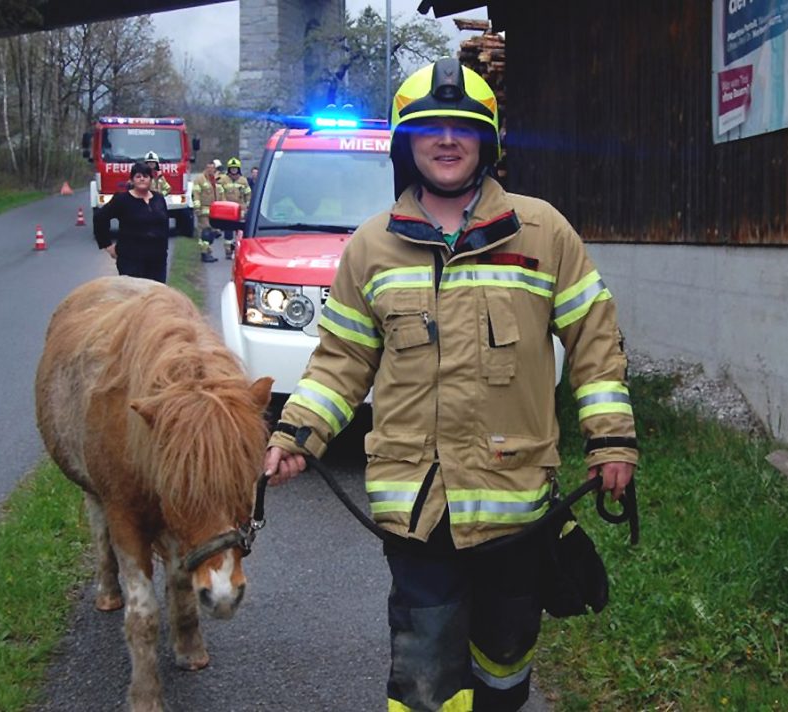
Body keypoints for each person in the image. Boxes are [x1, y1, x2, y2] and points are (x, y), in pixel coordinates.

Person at [264, 58, 637, 711]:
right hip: (418, 507)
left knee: (504, 663)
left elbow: (595, 341)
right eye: (429, 126)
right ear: (406, 142)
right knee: (424, 673)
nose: (446, 139)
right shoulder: (371, 248)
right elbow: (341, 357)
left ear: (487, 141)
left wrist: (611, 442)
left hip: (515, 505)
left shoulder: (543, 234)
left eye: (461, 127)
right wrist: (300, 432)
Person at [94, 162, 169, 283]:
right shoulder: (122, 200)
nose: (142, 179)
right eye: (138, 176)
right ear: (132, 180)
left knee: (155, 298)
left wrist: (164, 248)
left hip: (157, 259)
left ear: (151, 179)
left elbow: (164, 224)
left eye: (146, 176)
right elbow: (100, 218)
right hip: (131, 259)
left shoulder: (159, 199)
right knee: (135, 297)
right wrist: (107, 245)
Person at [190, 160, 223, 263]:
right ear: (206, 168)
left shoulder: (216, 180)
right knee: (206, 233)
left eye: (213, 168)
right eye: (209, 167)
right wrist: (197, 208)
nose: (211, 169)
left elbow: (221, 195)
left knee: (211, 233)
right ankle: (205, 254)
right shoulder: (200, 179)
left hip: (214, 211)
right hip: (203, 211)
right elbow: (196, 194)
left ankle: (207, 251)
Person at [221, 157, 251, 259]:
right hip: (228, 209)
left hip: (240, 209)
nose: (234, 170)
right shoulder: (223, 180)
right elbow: (220, 193)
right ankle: (228, 251)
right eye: (232, 168)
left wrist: (248, 205)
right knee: (228, 230)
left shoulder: (243, 180)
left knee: (240, 231)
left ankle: (239, 250)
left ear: (239, 169)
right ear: (229, 169)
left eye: (236, 168)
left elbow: (248, 194)